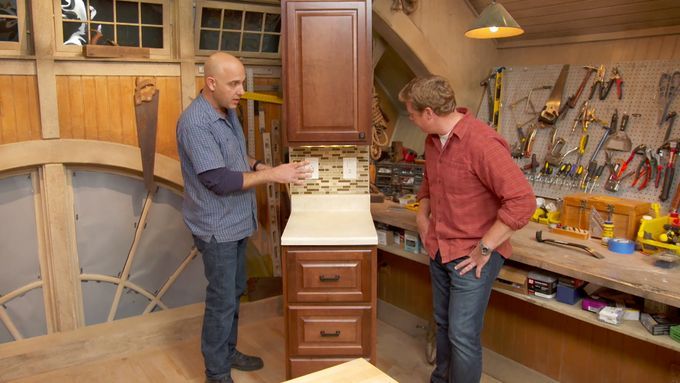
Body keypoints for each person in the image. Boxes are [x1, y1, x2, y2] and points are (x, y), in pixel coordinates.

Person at [177, 52, 311, 383]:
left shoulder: (228, 109)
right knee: (221, 301)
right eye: (234, 84)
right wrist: (273, 175)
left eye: (243, 83)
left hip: (237, 222)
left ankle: (228, 351)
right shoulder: (196, 123)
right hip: (217, 227)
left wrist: (259, 166)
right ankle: (217, 373)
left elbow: (236, 156)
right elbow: (218, 180)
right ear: (211, 83)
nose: (240, 91)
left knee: (235, 291)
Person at [398, 75, 535, 383]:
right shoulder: (432, 141)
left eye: (412, 114)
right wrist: (422, 216)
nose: (411, 118)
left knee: (462, 334)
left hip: (472, 256)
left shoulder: (482, 143)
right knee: (444, 325)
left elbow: (523, 202)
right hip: (440, 248)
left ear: (430, 113)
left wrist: (485, 247)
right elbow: (429, 181)